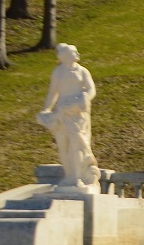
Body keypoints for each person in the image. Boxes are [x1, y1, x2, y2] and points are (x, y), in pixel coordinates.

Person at [36, 43, 98, 187]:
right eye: (73, 52)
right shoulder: (58, 72)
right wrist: (46, 109)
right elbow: (53, 93)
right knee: (63, 144)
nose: (77, 54)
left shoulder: (82, 71)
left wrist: (81, 100)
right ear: (64, 56)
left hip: (78, 113)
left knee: (77, 145)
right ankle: (69, 175)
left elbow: (91, 90)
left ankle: (78, 177)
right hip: (62, 113)